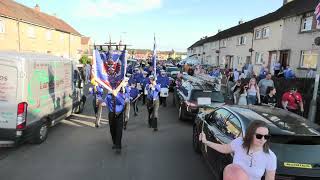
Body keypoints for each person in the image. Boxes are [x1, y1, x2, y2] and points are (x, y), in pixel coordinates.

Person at [199, 120, 277, 180]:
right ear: (250, 134)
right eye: (259, 136)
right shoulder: (240, 143)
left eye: (266, 137)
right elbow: (224, 148)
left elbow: (269, 179)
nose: (263, 139)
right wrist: (206, 142)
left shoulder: (270, 157)